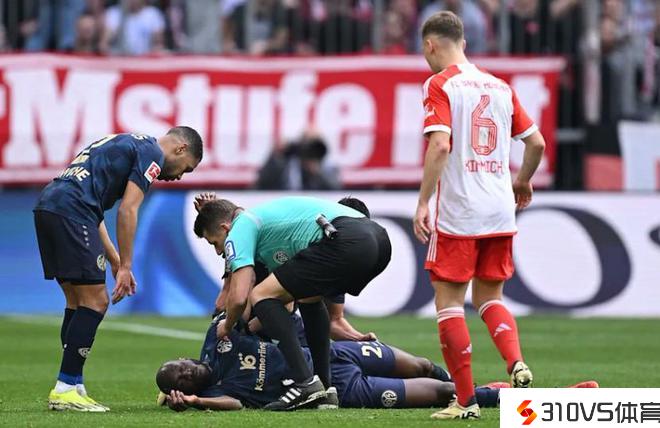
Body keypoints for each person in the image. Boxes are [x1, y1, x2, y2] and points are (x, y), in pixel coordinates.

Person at [413, 11, 546, 420]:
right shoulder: (500, 86)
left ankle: (465, 401)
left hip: (461, 210)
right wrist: (522, 182)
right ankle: (515, 361)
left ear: (430, 45)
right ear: (464, 43)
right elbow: (537, 143)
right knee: (490, 297)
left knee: (449, 303)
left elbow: (440, 145)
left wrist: (423, 202)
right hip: (500, 209)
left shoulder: (440, 84)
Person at [34, 127, 203, 412]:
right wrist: (126, 266)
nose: (179, 177)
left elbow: (94, 210)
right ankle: (65, 388)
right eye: (186, 169)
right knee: (96, 302)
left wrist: (114, 260)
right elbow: (128, 210)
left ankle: (74, 384)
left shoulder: (127, 142)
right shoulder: (152, 153)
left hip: (49, 206)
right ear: (180, 148)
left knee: (76, 301)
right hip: (72, 211)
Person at [193, 196, 391, 410]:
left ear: (225, 228)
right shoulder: (271, 235)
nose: (218, 251)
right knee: (308, 297)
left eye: (214, 242)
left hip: (348, 239)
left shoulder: (241, 227)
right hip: (380, 242)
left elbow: (240, 296)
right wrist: (249, 325)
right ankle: (325, 389)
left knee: (260, 295)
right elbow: (286, 302)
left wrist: (227, 325)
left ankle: (306, 384)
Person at [155, 317, 598, 412]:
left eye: (182, 367)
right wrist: (194, 402)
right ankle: (553, 400)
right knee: (445, 395)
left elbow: (239, 306)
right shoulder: (216, 394)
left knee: (423, 365)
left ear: (187, 358)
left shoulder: (219, 341)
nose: (187, 374)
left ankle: (488, 390)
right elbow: (234, 406)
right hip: (341, 390)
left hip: (333, 354)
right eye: (182, 381)